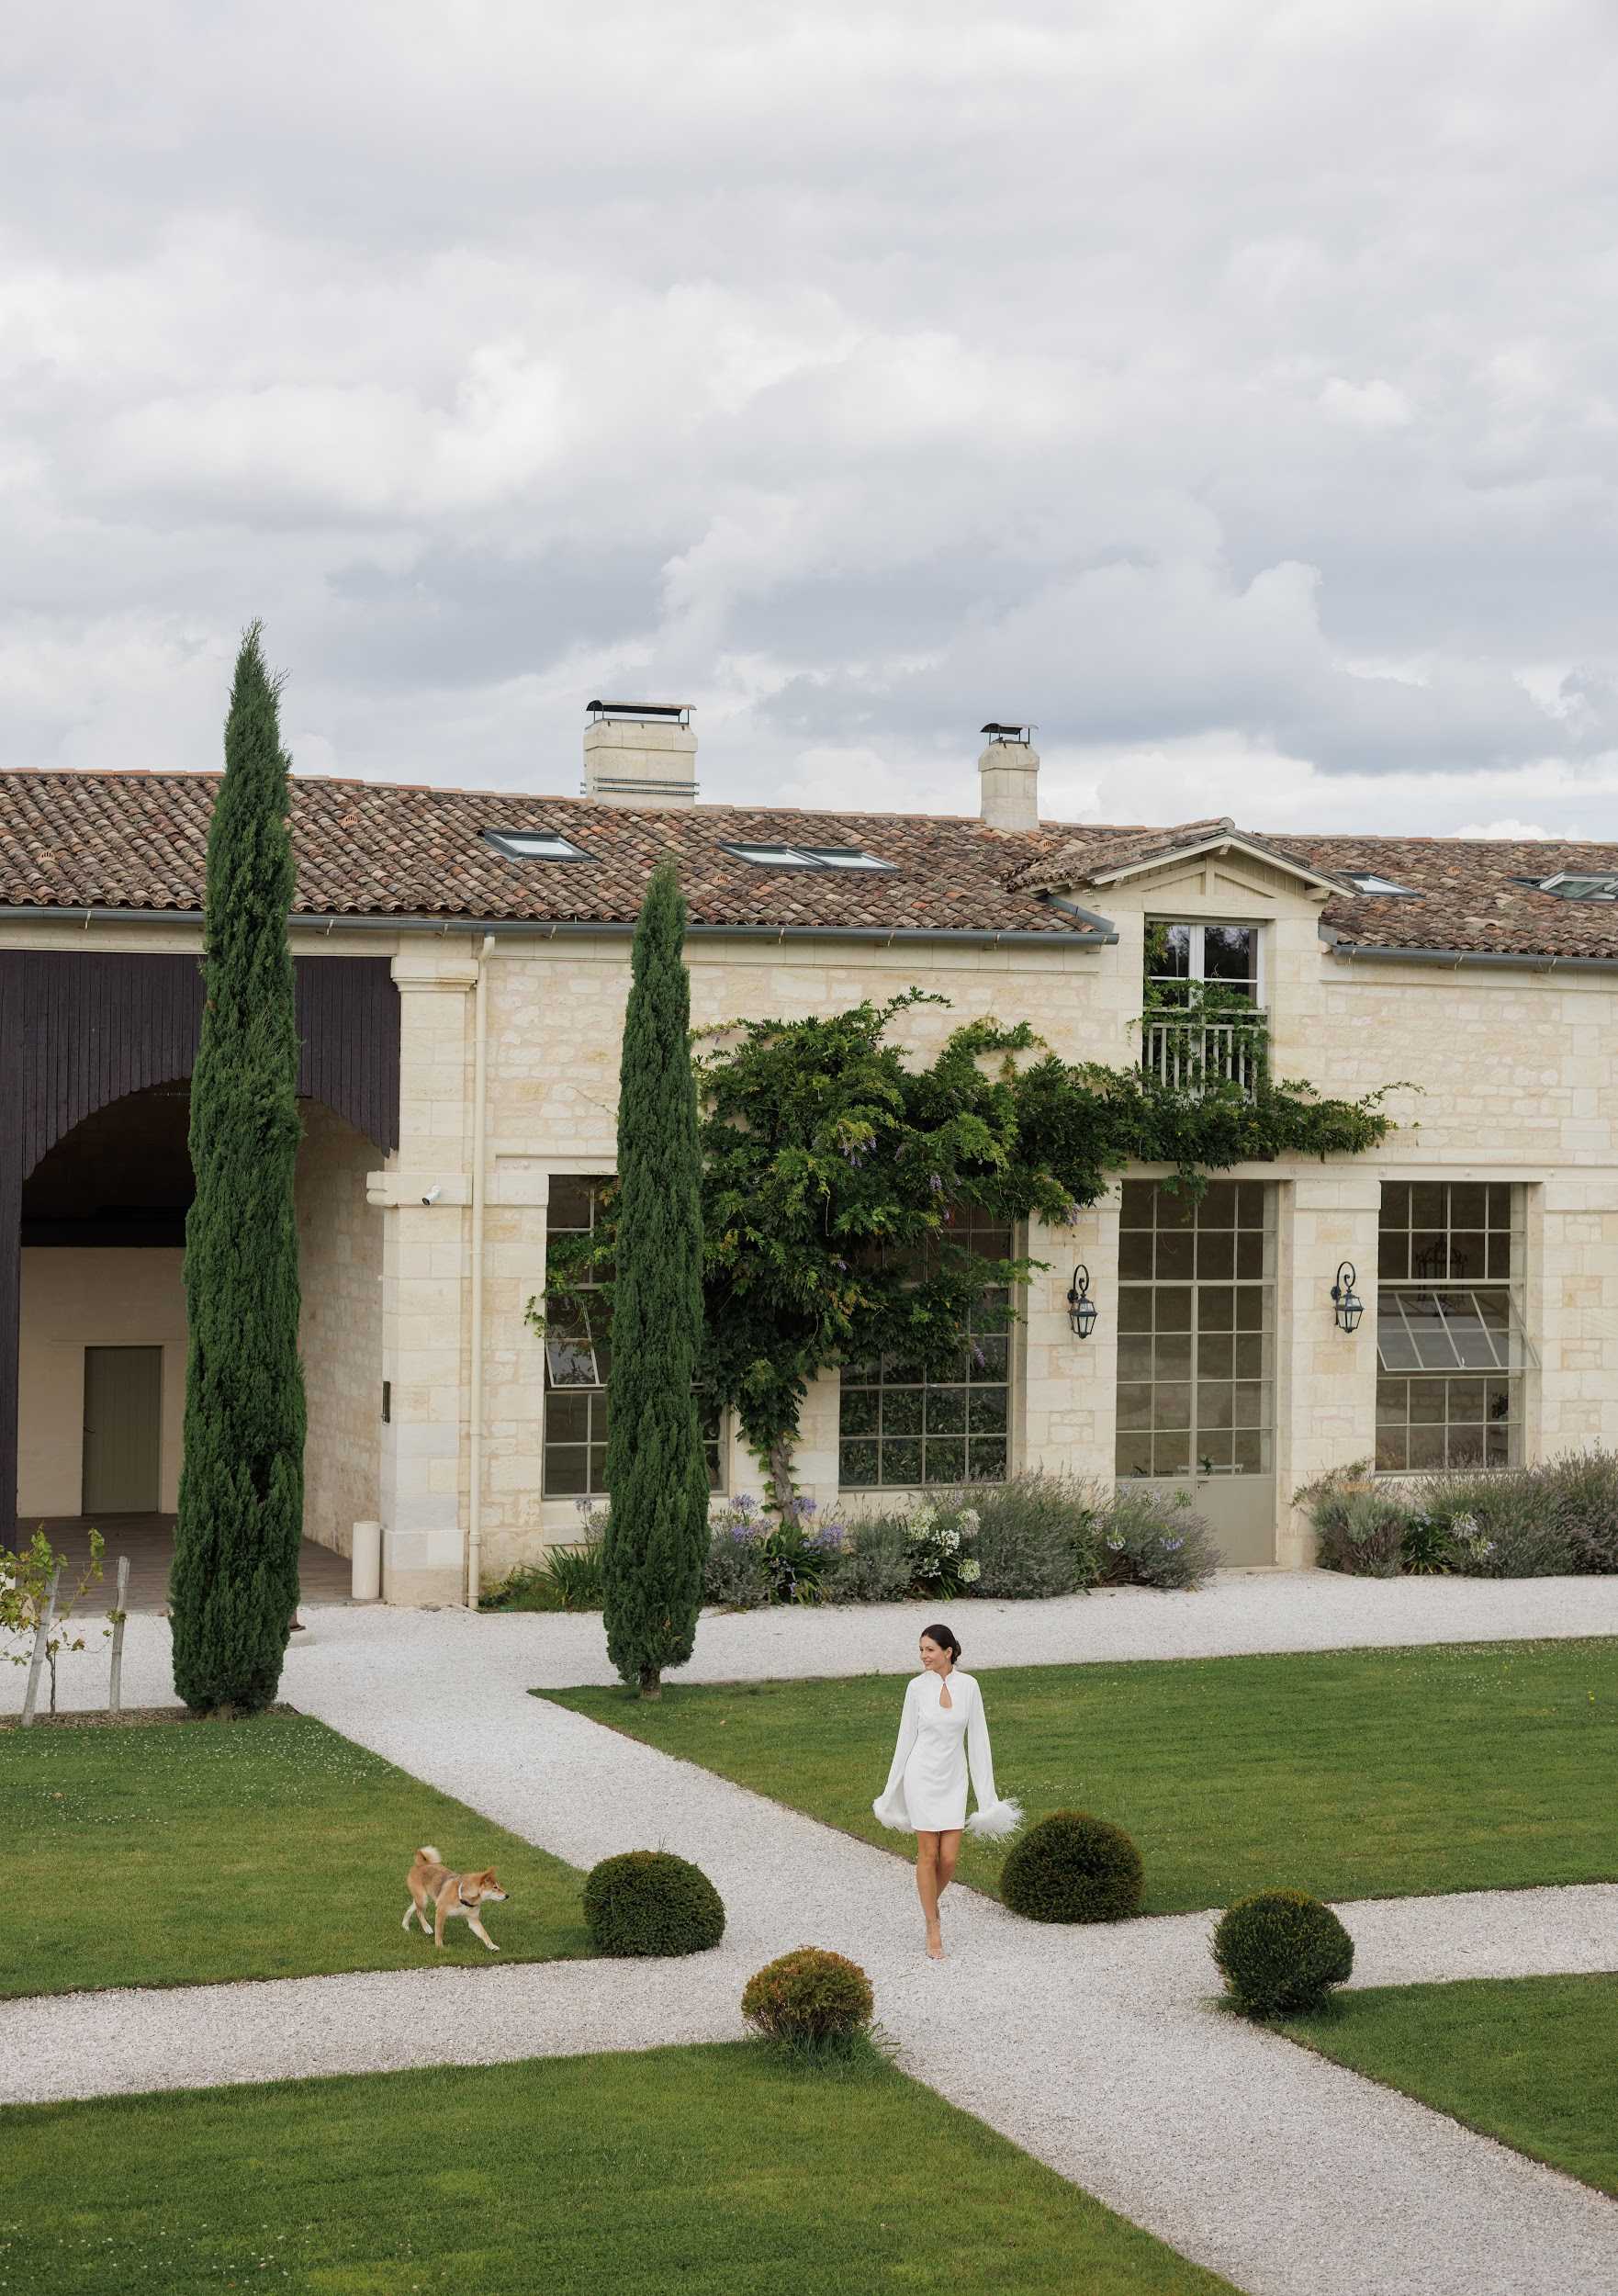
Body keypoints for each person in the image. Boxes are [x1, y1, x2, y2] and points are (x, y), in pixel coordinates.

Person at [873, 1622, 1021, 1958]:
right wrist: (891, 1788)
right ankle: (933, 1925)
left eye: (930, 1649)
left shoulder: (969, 1686)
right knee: (928, 1854)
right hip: (921, 1776)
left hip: (954, 1778)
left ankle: (928, 1903)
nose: (923, 1656)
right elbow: (905, 1738)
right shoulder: (915, 1688)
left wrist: (987, 1797)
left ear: (948, 1651)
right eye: (921, 1650)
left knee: (950, 1858)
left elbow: (979, 1739)